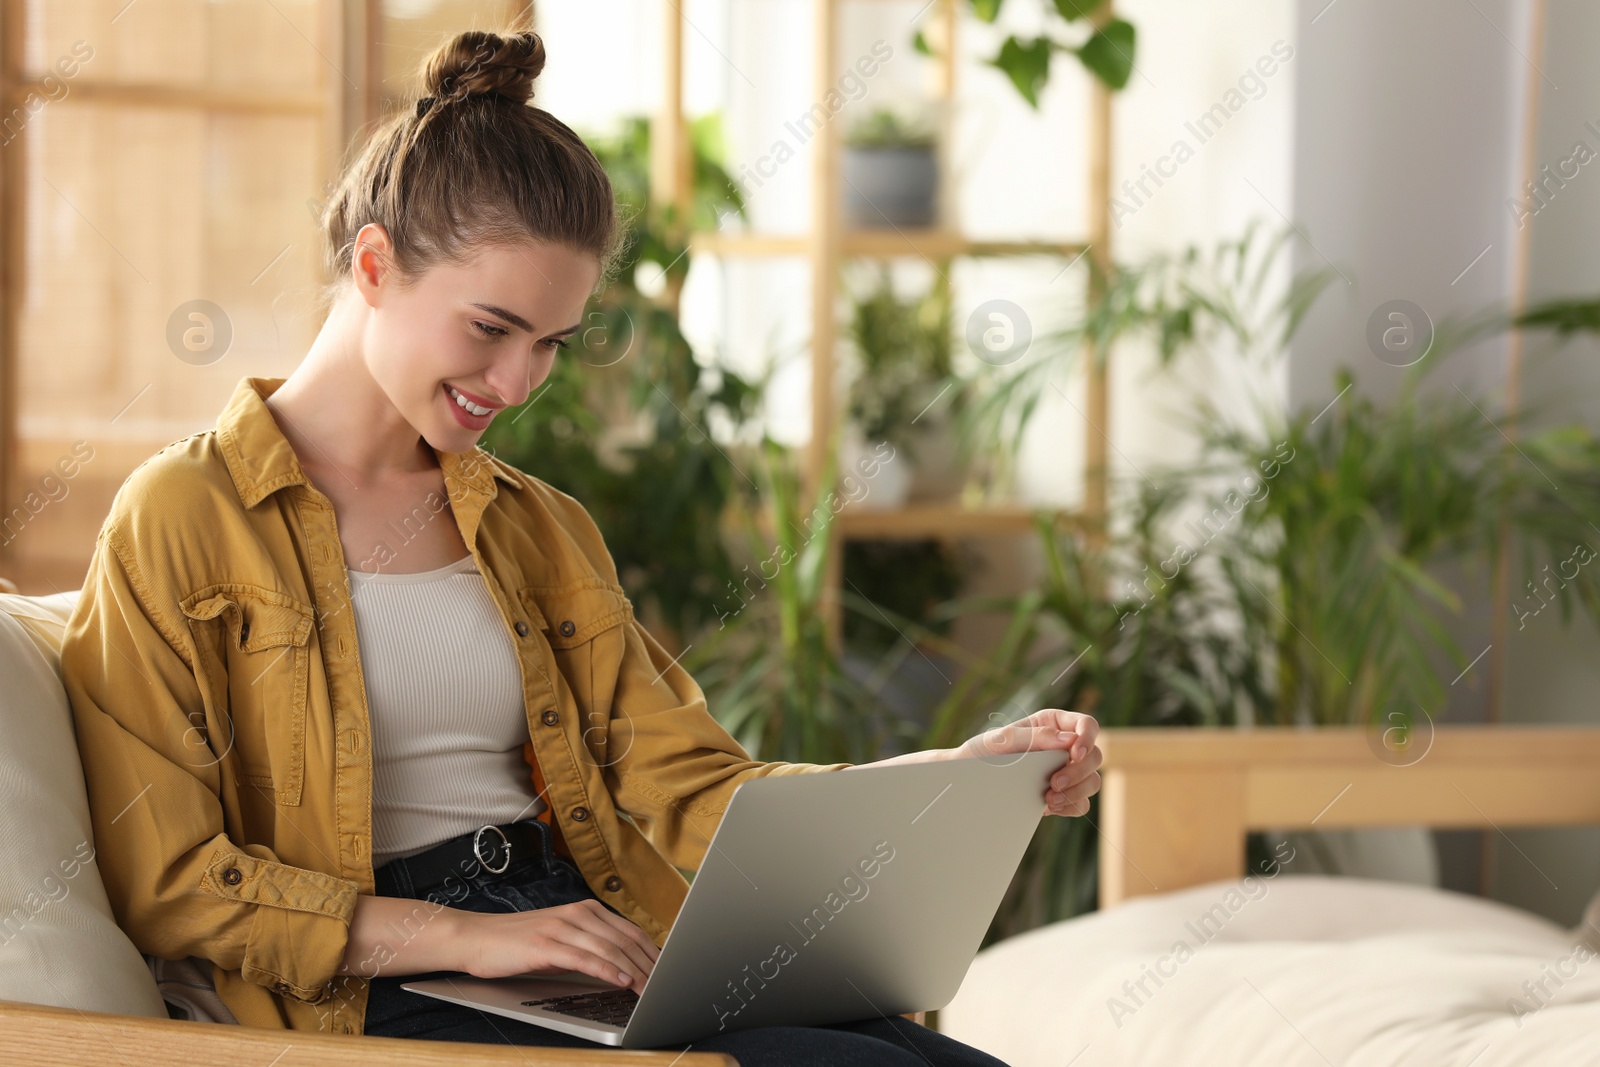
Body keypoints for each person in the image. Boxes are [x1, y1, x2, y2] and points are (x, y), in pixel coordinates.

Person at [58, 26, 1103, 1066]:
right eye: (488, 328)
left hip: (575, 932)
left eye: (549, 343)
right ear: (375, 264)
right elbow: (172, 878)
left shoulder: (536, 524)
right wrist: (471, 933)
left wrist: (943, 777)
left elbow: (691, 785)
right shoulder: (181, 515)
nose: (515, 383)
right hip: (371, 991)